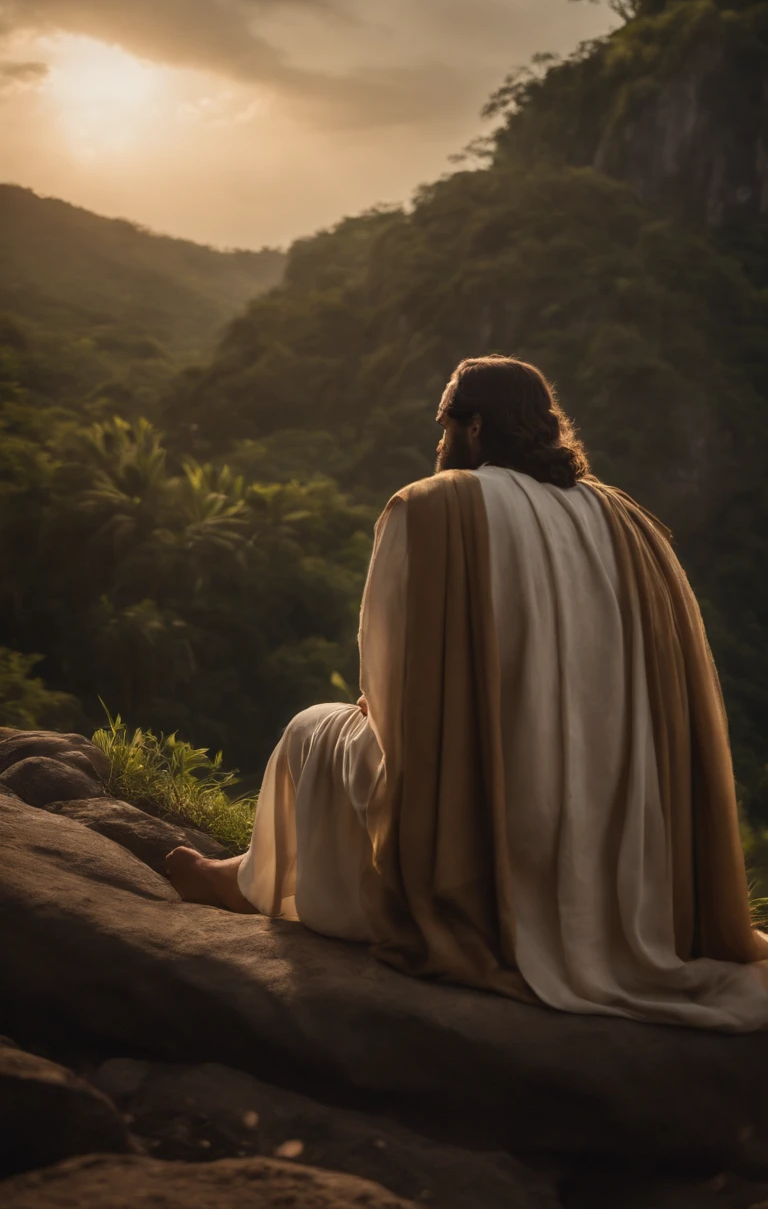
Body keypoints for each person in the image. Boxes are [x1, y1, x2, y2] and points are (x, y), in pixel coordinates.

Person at [167, 355, 768, 1030]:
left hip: (489, 840)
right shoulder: (631, 524)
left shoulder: (432, 506)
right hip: (628, 844)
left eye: (443, 422)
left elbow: (389, 697)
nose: (438, 440)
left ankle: (254, 881)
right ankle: (254, 870)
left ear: (474, 427)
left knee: (315, 727)